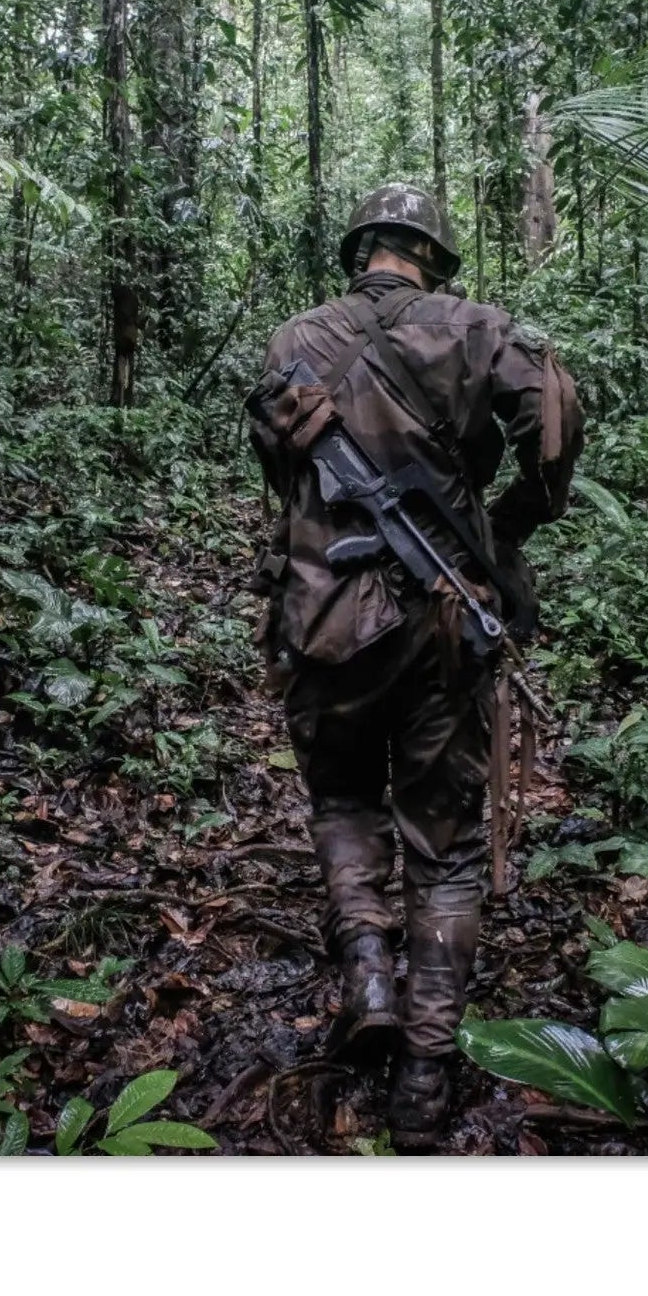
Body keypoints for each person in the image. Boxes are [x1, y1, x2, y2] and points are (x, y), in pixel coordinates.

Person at [244, 183, 583, 1146]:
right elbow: (554, 429)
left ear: (363, 252)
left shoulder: (292, 341)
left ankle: (370, 978)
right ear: (431, 255)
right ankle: (425, 1073)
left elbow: (285, 480)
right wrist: (505, 523)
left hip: (320, 623)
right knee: (446, 842)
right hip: (444, 620)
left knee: (343, 800)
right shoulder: (479, 330)